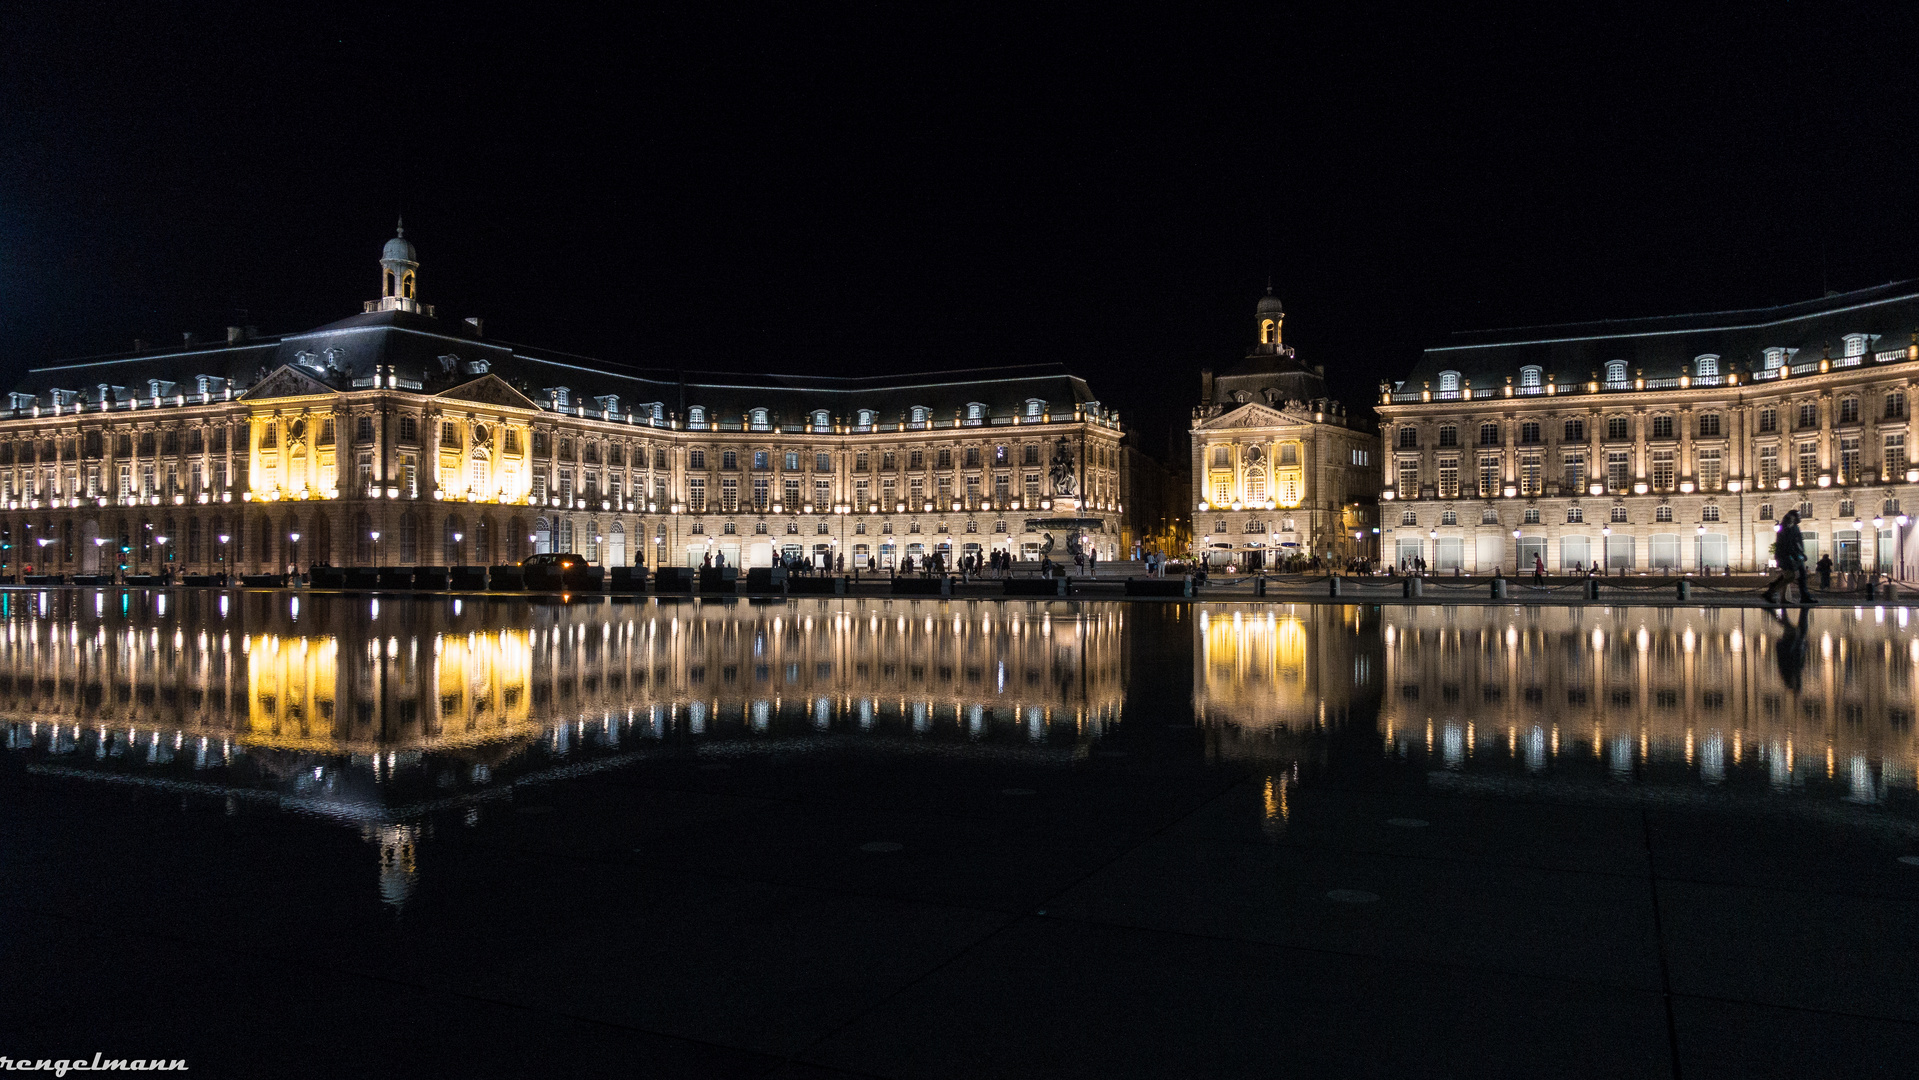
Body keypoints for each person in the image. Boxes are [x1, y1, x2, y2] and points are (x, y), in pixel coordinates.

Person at [1763, 510, 1815, 605]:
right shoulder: (1787, 528)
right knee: (1790, 576)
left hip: (1794, 555)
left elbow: (1796, 543)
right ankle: (1771, 591)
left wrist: (1801, 554)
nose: (1800, 518)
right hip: (1788, 556)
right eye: (1798, 516)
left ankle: (1780, 593)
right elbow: (1789, 544)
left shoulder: (1794, 527)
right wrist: (1797, 555)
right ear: (1792, 517)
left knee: (1795, 576)